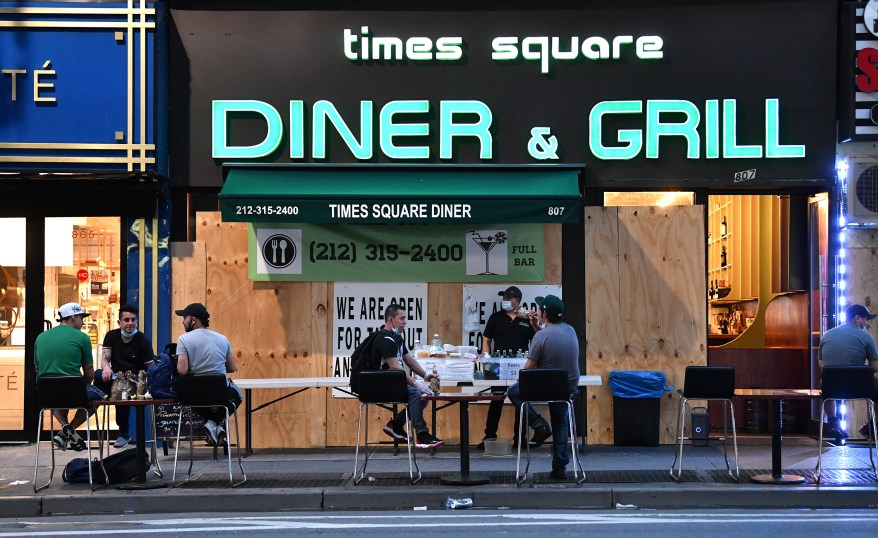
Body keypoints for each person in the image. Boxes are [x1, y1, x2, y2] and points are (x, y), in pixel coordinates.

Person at [506, 295, 580, 480]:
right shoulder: (570, 330)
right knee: (561, 422)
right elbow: (550, 339)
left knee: (513, 391)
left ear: (544, 313)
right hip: (568, 389)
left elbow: (527, 372)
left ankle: (540, 425)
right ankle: (560, 468)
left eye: (540, 309)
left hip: (546, 387)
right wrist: (535, 326)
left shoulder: (540, 337)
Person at [34, 302, 105, 451]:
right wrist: (83, 386)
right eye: (81, 317)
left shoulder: (40, 337)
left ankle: (65, 429)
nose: (83, 321)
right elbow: (89, 371)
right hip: (74, 392)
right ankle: (70, 430)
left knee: (56, 395)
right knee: (98, 397)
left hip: (46, 395)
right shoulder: (82, 337)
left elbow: (37, 369)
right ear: (72, 317)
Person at [477, 285, 541, 449]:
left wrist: (532, 361)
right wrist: (486, 358)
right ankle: (489, 437)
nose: (504, 301)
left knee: (520, 401)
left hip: (521, 366)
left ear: (517, 301)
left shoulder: (527, 319)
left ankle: (520, 438)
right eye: (503, 298)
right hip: (498, 366)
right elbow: (486, 339)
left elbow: (536, 341)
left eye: (508, 298)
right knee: (496, 400)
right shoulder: (496, 317)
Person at [376, 303, 445, 449]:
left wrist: (426, 375)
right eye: (402, 318)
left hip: (394, 383)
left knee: (423, 395)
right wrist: (416, 383)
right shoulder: (384, 339)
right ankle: (422, 435)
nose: (405, 322)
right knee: (416, 393)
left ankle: (396, 424)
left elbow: (409, 360)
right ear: (390, 319)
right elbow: (395, 367)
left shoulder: (397, 338)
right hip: (382, 386)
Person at [174, 302, 242, 446]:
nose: (182, 321)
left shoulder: (183, 340)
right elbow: (231, 367)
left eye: (184, 318)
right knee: (238, 396)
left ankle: (210, 423)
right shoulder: (222, 338)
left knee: (188, 393)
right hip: (219, 393)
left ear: (193, 320)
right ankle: (214, 422)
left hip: (193, 395)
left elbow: (182, 370)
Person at [94, 304, 155, 448]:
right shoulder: (111, 336)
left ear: (137, 321)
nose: (130, 323)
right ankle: (96, 401)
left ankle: (123, 433)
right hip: (116, 378)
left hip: (136, 382)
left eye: (133, 320)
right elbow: (105, 358)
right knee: (98, 375)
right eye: (126, 320)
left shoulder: (143, 340)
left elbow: (150, 367)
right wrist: (106, 368)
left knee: (124, 390)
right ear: (119, 322)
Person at [818, 303, 878, 439]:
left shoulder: (826, 335)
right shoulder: (866, 336)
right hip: (860, 388)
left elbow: (822, 365)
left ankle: (834, 423)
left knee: (824, 385)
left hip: (831, 388)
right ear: (857, 318)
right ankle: (871, 428)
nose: (868, 324)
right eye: (866, 319)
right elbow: (875, 367)